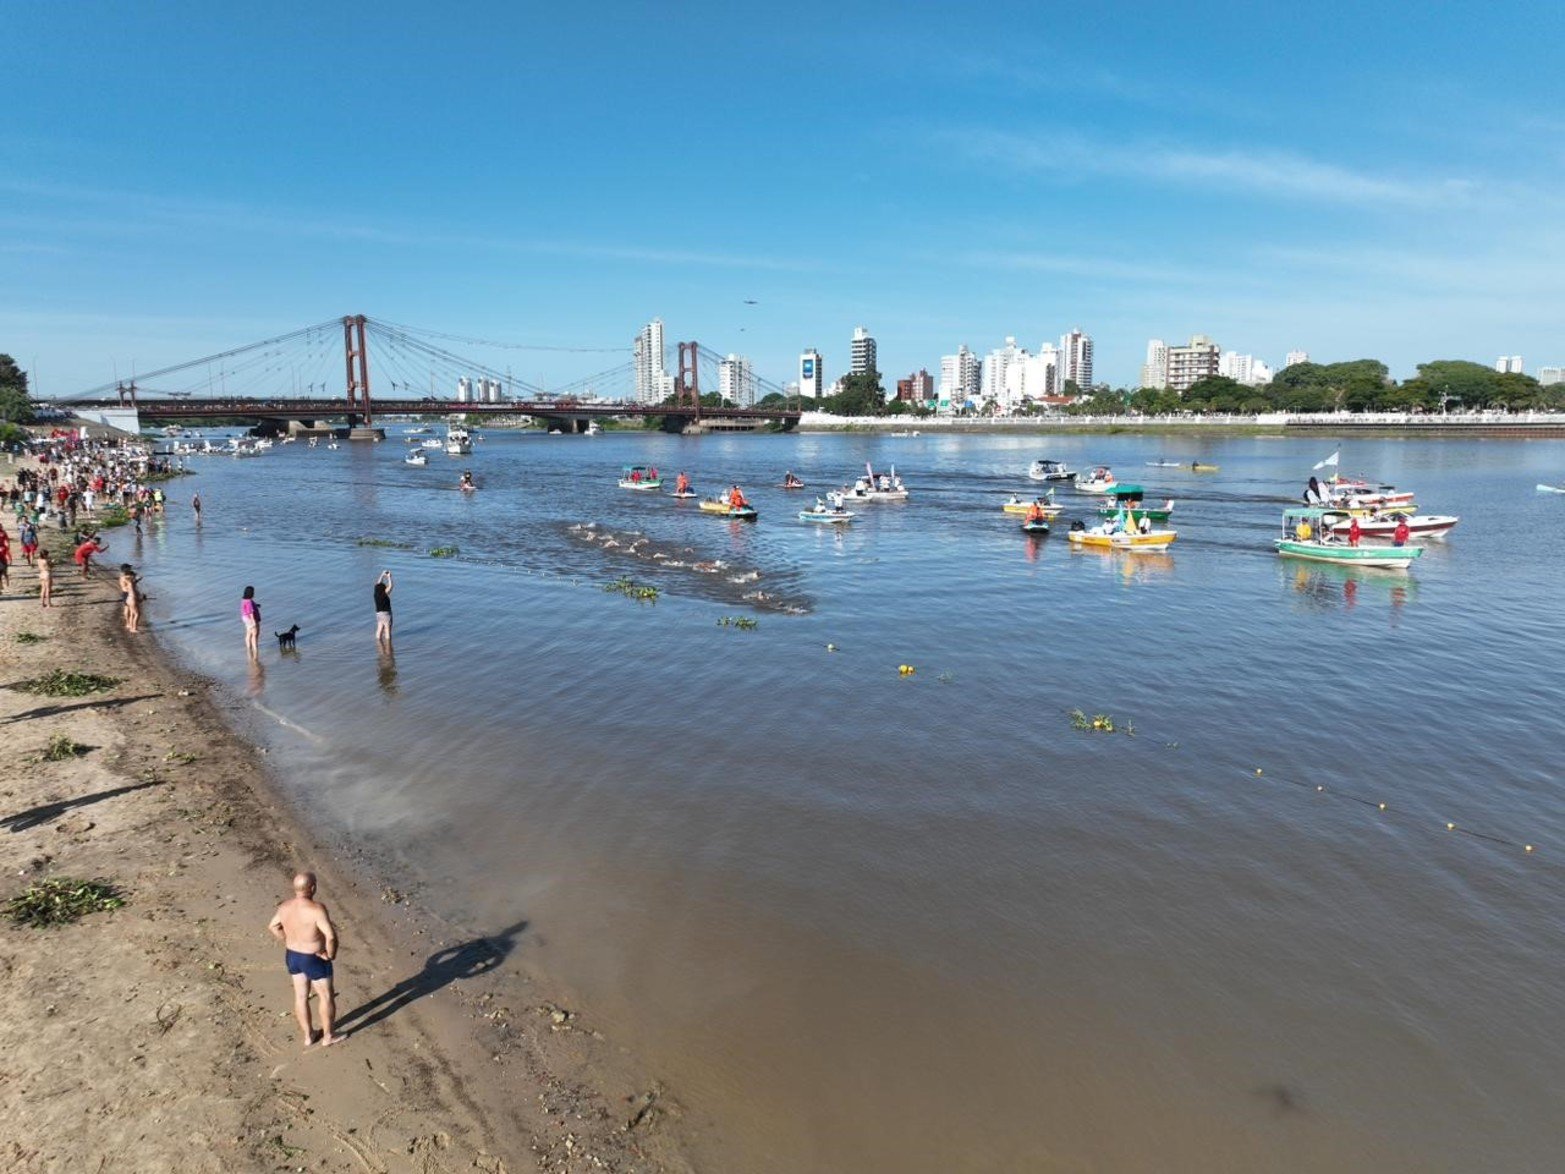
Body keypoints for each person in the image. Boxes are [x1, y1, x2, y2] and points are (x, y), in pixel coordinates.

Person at [267, 872, 344, 1049]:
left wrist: (286, 940)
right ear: (313, 888)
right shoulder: (317, 909)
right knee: (325, 996)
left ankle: (309, 1036)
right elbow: (331, 936)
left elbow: (272, 926)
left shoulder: (285, 907)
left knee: (301, 996)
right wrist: (330, 955)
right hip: (314, 958)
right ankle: (328, 1036)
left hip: (293, 956)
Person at [118, 563, 141, 634]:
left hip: (128, 593)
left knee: (130, 610)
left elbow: (132, 582)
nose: (131, 569)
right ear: (126, 569)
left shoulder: (127, 576)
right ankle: (130, 625)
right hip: (128, 593)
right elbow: (130, 585)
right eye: (129, 568)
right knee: (129, 610)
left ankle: (130, 625)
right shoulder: (125, 577)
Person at [373, 570, 393, 645]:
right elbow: (391, 586)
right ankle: (388, 647)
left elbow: (378, 584)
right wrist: (389, 577)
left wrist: (382, 575)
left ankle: (378, 645)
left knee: (379, 629)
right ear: (384, 589)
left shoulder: (376, 594)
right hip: (386, 614)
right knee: (387, 630)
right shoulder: (384, 594)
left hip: (378, 614)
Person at [241, 585, 261, 658]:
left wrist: (256, 605)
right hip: (250, 619)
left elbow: (247, 608)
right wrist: (254, 622)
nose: (254, 593)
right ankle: (255, 651)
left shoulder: (244, 600)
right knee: (255, 635)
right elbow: (250, 612)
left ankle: (249, 650)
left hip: (245, 618)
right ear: (251, 593)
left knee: (248, 634)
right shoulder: (249, 601)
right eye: (253, 592)